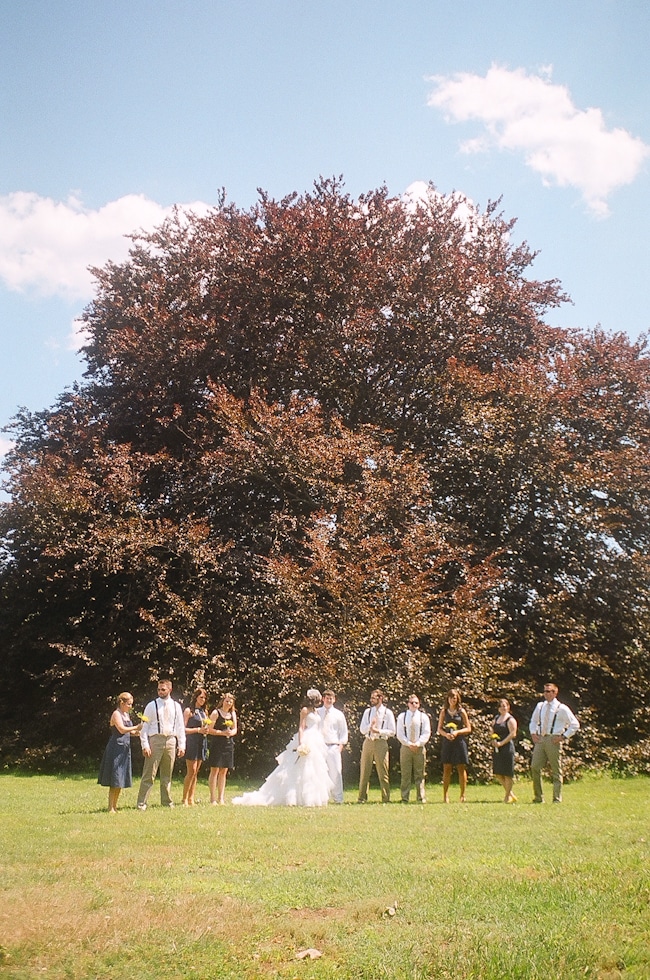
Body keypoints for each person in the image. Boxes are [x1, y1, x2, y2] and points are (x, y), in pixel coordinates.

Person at [233, 689, 332, 806]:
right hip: (307, 738)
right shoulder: (305, 710)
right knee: (301, 766)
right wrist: (301, 743)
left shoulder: (316, 711)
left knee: (314, 768)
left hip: (316, 739)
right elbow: (301, 727)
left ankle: (312, 797)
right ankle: (294, 797)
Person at [136, 676, 186, 810]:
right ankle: (141, 803)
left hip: (171, 740)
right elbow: (144, 727)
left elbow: (180, 726)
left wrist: (181, 745)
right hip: (155, 739)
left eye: (163, 689)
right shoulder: (151, 705)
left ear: (170, 689)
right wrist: (145, 745)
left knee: (167, 774)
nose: (160, 692)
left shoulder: (176, 706)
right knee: (149, 774)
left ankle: (167, 801)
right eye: (158, 689)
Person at [529, 682, 580, 804]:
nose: (545, 694)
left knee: (556, 770)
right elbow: (534, 721)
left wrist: (563, 737)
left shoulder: (562, 708)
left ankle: (556, 798)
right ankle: (538, 797)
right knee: (535, 767)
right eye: (544, 691)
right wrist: (533, 733)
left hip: (553, 739)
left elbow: (575, 724)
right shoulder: (540, 706)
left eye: (548, 691)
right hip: (541, 739)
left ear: (555, 692)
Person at [97, 692, 143, 812]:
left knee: (120, 778)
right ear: (122, 703)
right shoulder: (116, 714)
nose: (130, 707)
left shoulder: (126, 714)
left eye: (131, 704)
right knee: (115, 777)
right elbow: (122, 730)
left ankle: (115, 806)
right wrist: (136, 727)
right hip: (116, 748)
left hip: (125, 748)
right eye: (129, 704)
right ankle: (110, 807)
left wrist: (139, 732)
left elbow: (130, 732)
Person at [357, 689, 396, 803]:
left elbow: (392, 731)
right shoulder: (368, 712)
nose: (371, 700)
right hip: (368, 741)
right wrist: (370, 727)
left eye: (374, 698)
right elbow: (362, 729)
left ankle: (386, 798)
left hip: (381, 742)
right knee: (364, 770)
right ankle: (362, 797)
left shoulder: (387, 713)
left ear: (380, 698)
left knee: (383, 771)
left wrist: (378, 731)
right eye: (371, 697)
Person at [437, 688, 472, 803]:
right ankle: (445, 795)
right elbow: (439, 729)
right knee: (447, 768)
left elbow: (468, 728)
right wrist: (446, 735)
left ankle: (462, 795)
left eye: (455, 698)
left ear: (458, 699)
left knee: (461, 768)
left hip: (459, 742)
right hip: (448, 742)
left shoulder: (461, 712)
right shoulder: (444, 711)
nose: (453, 700)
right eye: (451, 697)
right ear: (448, 699)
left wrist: (457, 732)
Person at [396, 694, 431, 803]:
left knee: (419, 774)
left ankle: (421, 797)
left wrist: (418, 743)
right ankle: (404, 798)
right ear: (408, 704)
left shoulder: (423, 717)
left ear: (419, 704)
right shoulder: (402, 717)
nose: (414, 704)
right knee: (405, 774)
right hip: (405, 748)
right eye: (412, 703)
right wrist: (409, 744)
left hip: (419, 748)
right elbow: (400, 733)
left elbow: (426, 732)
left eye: (416, 703)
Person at [317, 689, 348, 803]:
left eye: (331, 699)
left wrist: (340, 745)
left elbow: (343, 731)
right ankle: (322, 798)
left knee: (336, 773)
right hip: (320, 746)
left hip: (333, 746)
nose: (329, 700)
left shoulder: (339, 714)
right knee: (319, 772)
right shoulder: (317, 712)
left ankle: (338, 798)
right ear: (323, 699)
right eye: (327, 698)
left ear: (334, 700)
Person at [207, 692, 238, 805]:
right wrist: (222, 733)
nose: (228, 703)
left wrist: (230, 733)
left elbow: (235, 729)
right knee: (214, 770)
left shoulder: (232, 714)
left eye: (230, 702)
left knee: (224, 771)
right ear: (222, 701)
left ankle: (221, 798)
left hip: (228, 744)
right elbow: (209, 729)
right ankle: (213, 798)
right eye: (227, 701)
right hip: (217, 744)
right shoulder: (216, 713)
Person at [182, 687, 209, 806]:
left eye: (204, 698)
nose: (203, 700)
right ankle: (184, 798)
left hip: (201, 742)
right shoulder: (189, 711)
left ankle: (191, 798)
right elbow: (183, 729)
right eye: (201, 697)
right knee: (191, 771)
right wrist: (198, 730)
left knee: (196, 772)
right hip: (191, 742)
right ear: (196, 697)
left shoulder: (204, 712)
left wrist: (206, 730)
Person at [491, 698, 518, 803]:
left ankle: (507, 797)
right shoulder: (496, 718)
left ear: (508, 707)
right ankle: (511, 794)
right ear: (498, 708)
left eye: (505, 706)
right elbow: (492, 730)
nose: (503, 708)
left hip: (507, 748)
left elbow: (513, 734)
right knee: (498, 773)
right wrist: (493, 739)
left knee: (507, 773)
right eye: (501, 706)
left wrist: (501, 743)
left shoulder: (510, 720)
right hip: (497, 748)